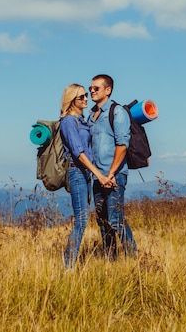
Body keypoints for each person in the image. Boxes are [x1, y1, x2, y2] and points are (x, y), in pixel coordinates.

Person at [59, 83, 113, 268]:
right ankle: (68, 266)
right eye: (81, 97)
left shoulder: (81, 121)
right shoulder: (68, 121)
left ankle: (70, 264)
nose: (85, 99)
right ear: (71, 100)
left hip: (85, 173)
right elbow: (78, 152)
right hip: (77, 171)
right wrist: (99, 175)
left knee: (83, 218)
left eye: (85, 96)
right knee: (81, 219)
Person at [88, 74, 137, 260]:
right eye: (90, 88)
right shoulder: (92, 115)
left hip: (114, 175)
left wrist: (111, 173)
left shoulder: (117, 112)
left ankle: (133, 258)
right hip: (97, 177)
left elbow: (122, 145)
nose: (92, 91)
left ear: (107, 90)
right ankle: (111, 259)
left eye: (96, 88)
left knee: (116, 219)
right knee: (103, 221)